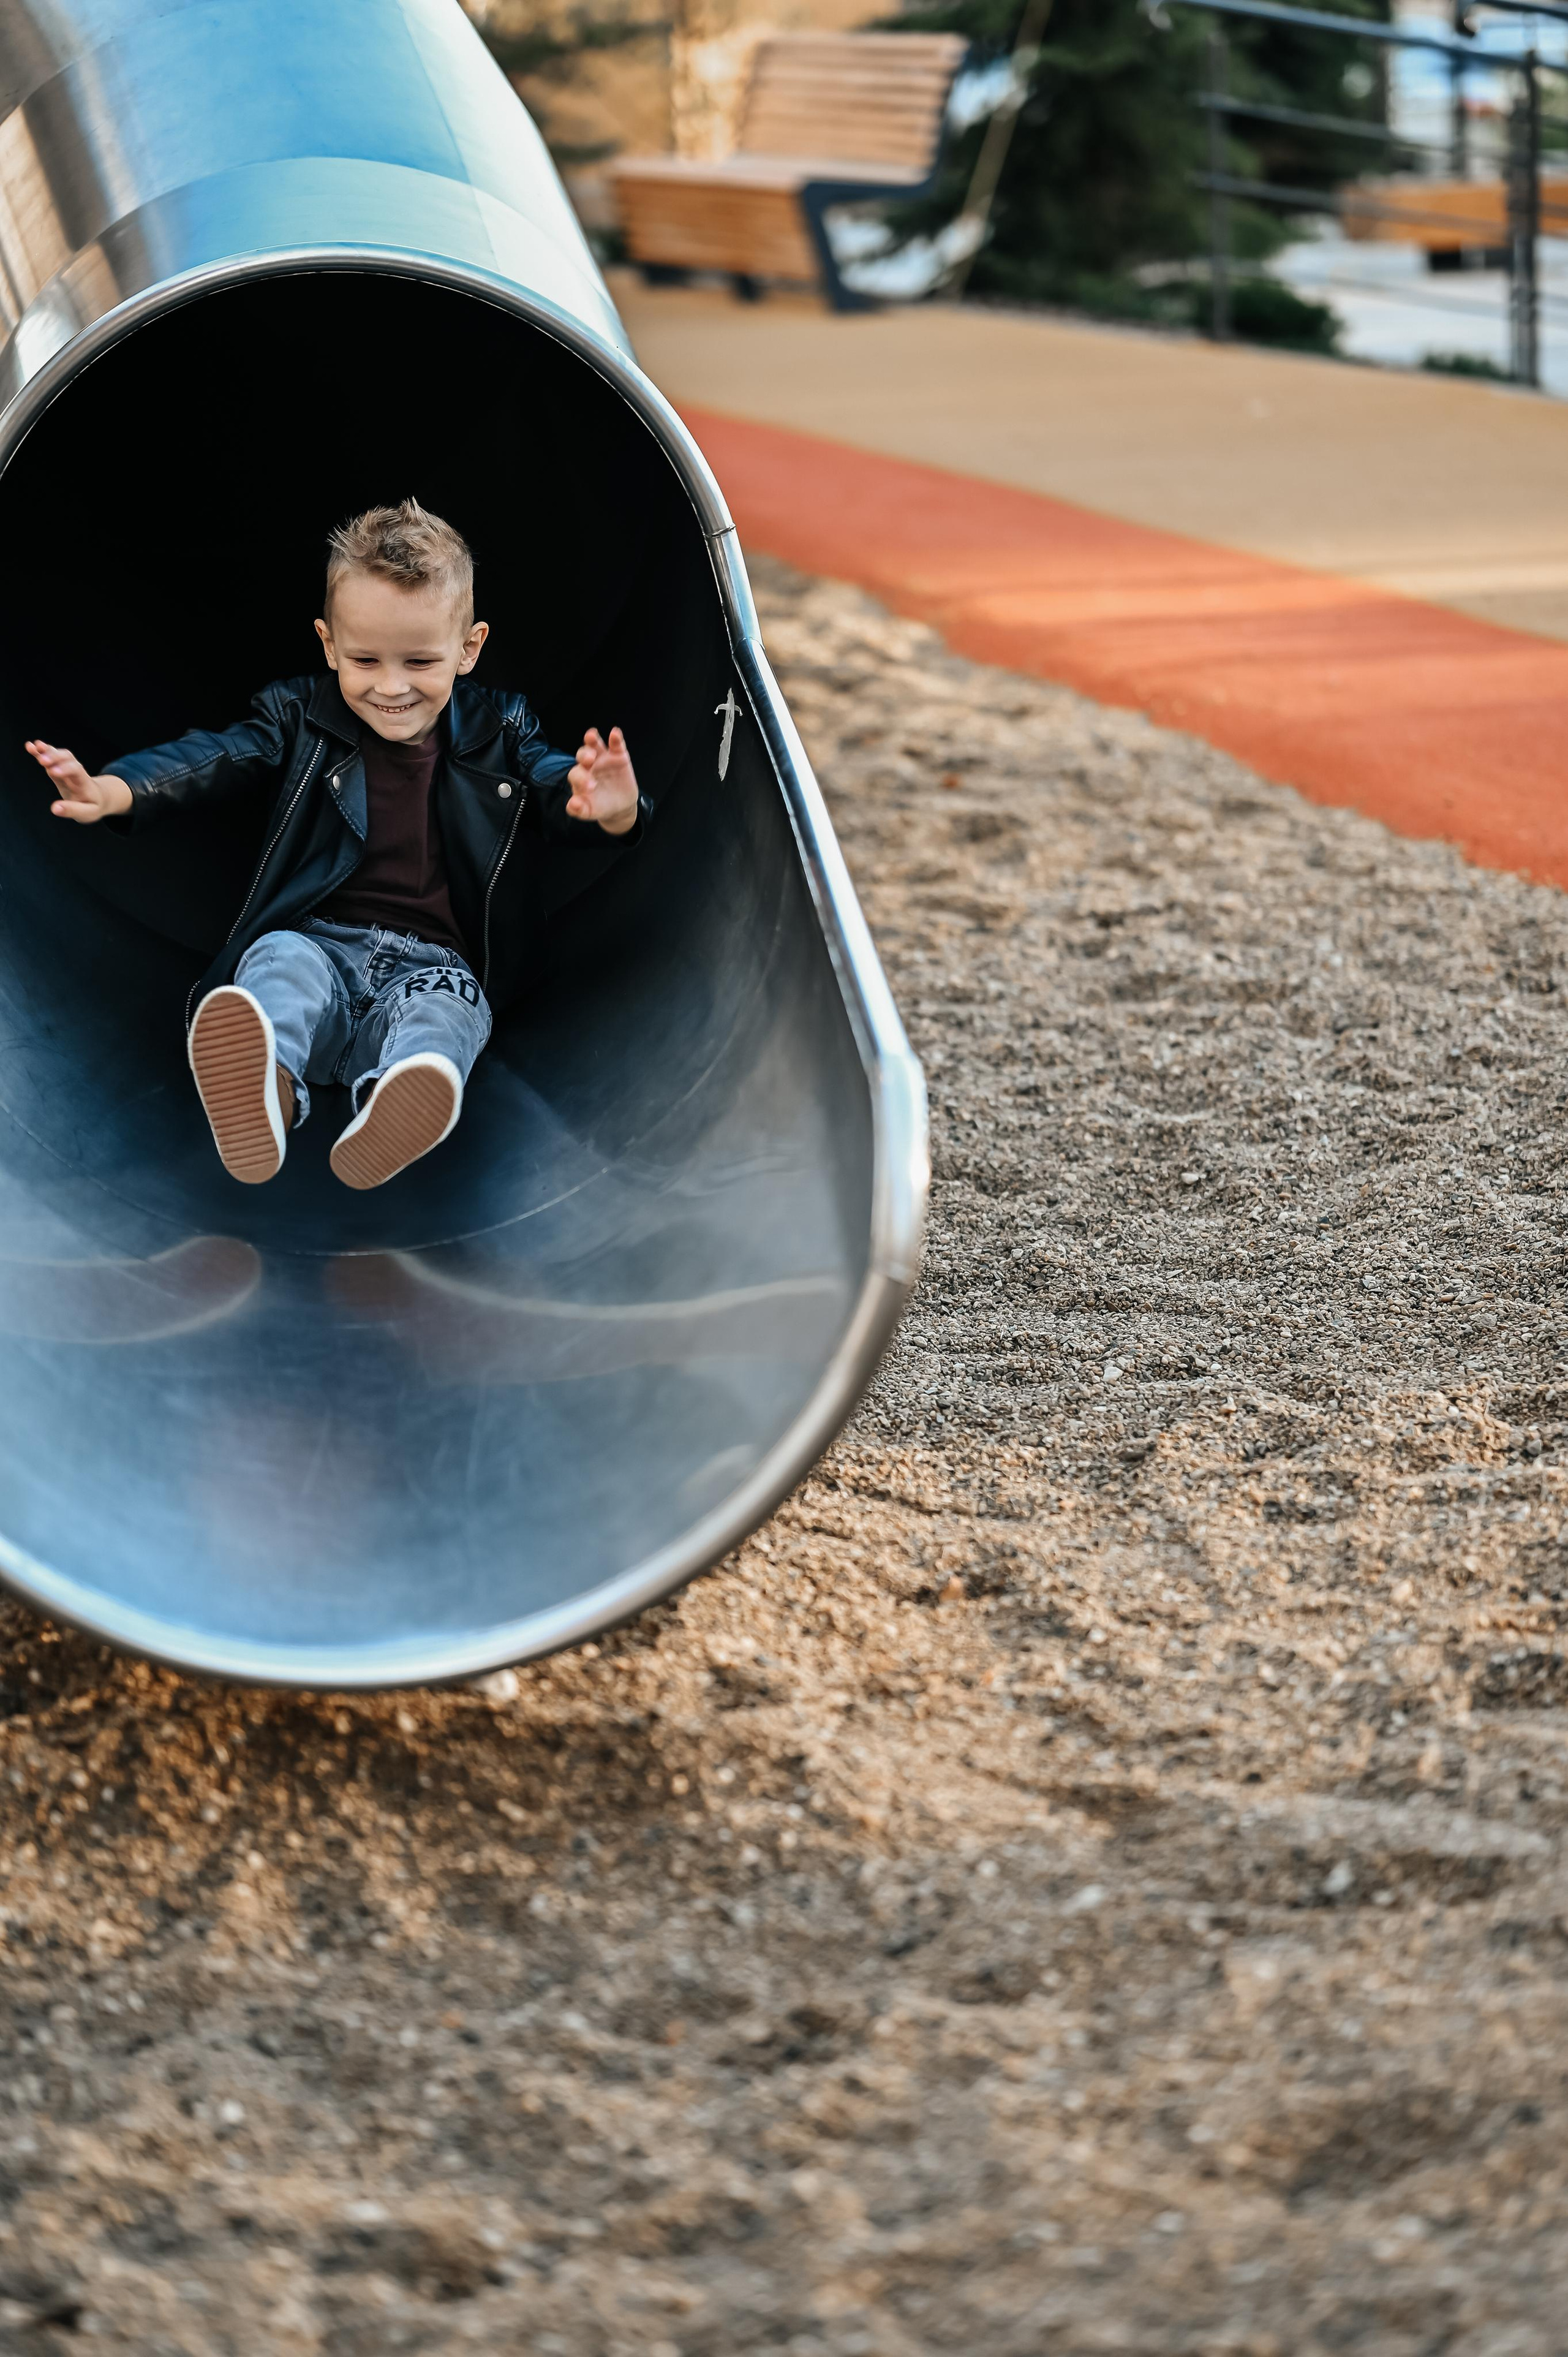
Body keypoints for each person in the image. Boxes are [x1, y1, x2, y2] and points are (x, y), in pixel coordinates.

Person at [24, 500, 645, 1189]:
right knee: (279, 960)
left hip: (432, 965)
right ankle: (272, 1087)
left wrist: (610, 810)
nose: (390, 685)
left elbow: (559, 784)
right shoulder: (299, 716)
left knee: (450, 1008)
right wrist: (117, 791)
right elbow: (219, 759)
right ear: (327, 644)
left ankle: (397, 1100)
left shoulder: (502, 729)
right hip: (320, 943)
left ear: (468, 648)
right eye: (364, 659)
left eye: (419, 660)